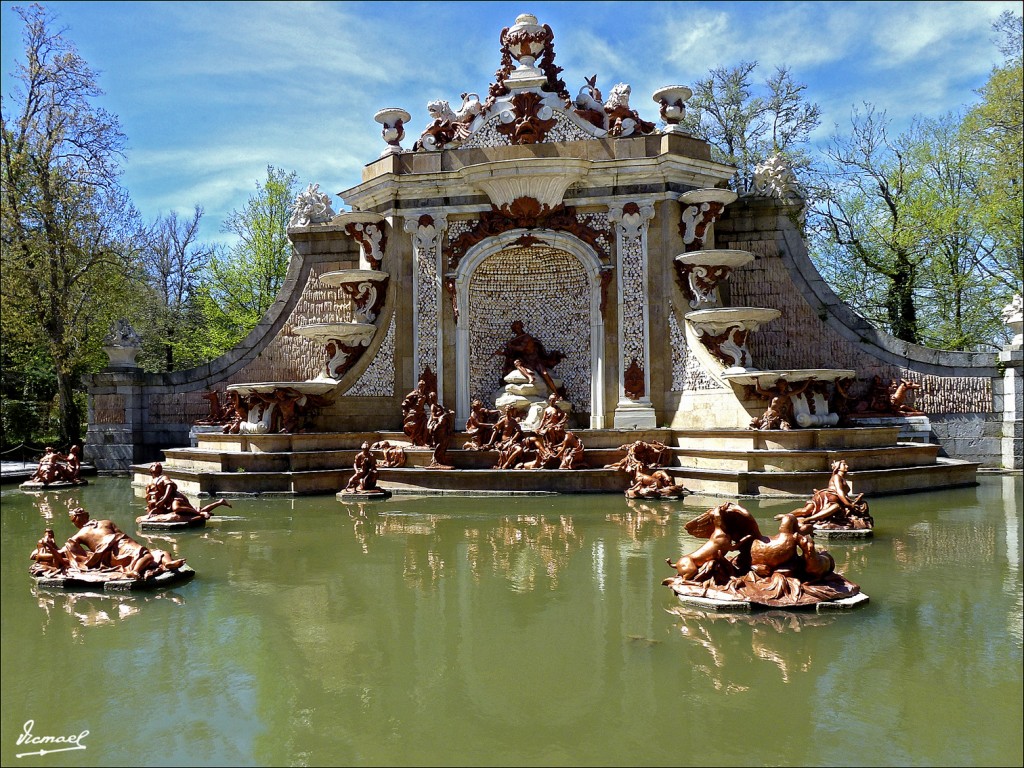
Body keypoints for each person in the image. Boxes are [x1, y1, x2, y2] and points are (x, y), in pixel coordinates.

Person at [61, 508, 186, 580]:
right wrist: (47, 549)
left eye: (75, 520)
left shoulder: (105, 522)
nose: (75, 523)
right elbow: (65, 549)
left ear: (85, 516)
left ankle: (168, 563)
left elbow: (122, 534)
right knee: (147, 555)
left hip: (122, 544)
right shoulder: (80, 534)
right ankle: (135, 571)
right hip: (109, 553)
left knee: (161, 553)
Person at [141, 462, 231, 522]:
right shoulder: (150, 482)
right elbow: (148, 496)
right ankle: (220, 502)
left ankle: (200, 514)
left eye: (157, 465)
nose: (156, 465)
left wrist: (163, 500)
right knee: (197, 509)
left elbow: (169, 487)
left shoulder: (163, 478)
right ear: (151, 470)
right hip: (165, 503)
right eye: (154, 465)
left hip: (174, 498)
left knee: (176, 508)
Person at [401, 380, 430, 446]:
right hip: (414, 413)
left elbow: (430, 404)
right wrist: (415, 394)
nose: (421, 387)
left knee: (426, 426)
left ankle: (423, 441)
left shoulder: (425, 395)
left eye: (423, 386)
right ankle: (415, 439)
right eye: (420, 386)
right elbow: (407, 398)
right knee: (413, 426)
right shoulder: (415, 393)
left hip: (421, 414)